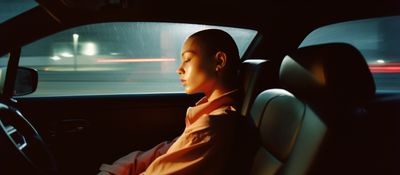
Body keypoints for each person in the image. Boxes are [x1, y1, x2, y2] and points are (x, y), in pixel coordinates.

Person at [98, 29, 256, 175]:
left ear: (219, 61)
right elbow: (166, 150)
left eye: (187, 59)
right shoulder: (207, 115)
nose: (179, 69)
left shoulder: (210, 127)